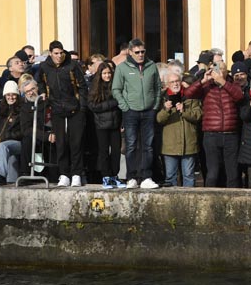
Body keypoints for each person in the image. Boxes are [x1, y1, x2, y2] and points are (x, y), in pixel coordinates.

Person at [111, 38, 162, 189]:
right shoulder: (122, 68)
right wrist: (124, 106)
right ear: (130, 52)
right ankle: (131, 177)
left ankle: (146, 176)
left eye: (143, 52)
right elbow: (116, 89)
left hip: (148, 111)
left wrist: (155, 105)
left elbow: (158, 87)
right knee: (131, 145)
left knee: (148, 145)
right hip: (131, 112)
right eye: (137, 52)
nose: (140, 54)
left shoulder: (151, 66)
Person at [184, 63, 244, 188]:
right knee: (212, 173)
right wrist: (203, 80)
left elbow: (239, 96)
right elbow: (188, 94)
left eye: (221, 70)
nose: (218, 72)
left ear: (226, 72)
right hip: (211, 134)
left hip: (231, 134)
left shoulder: (233, 84)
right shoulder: (206, 86)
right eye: (216, 70)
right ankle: (209, 202)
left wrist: (222, 82)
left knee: (232, 174)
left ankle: (233, 203)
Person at [39, 40, 87, 187]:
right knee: (60, 143)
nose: (59, 56)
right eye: (56, 53)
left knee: (76, 142)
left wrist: (83, 107)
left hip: (75, 108)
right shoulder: (44, 66)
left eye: (61, 53)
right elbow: (41, 82)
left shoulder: (72, 65)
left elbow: (83, 86)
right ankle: (64, 174)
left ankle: (76, 174)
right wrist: (42, 93)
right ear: (51, 53)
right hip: (56, 108)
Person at [156, 68, 203, 187]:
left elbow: (198, 115)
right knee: (170, 177)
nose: (176, 84)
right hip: (170, 145)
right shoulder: (162, 98)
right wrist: (166, 109)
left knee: (189, 176)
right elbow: (159, 119)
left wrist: (184, 111)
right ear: (167, 84)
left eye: (177, 81)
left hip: (189, 144)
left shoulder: (190, 96)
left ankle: (190, 203)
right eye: (172, 82)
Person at [87, 61, 124, 188]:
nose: (107, 76)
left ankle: (114, 175)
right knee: (103, 151)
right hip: (101, 124)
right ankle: (106, 176)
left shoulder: (116, 85)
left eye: (109, 73)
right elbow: (92, 105)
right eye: (104, 73)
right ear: (100, 74)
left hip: (115, 124)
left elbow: (122, 103)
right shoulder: (95, 87)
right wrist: (111, 104)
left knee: (116, 152)